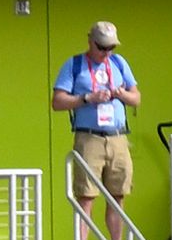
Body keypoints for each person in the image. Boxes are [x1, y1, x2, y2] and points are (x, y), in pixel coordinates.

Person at [52, 18, 141, 222]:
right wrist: (87, 98)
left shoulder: (119, 63)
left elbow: (136, 98)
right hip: (89, 137)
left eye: (111, 48)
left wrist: (121, 94)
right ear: (90, 42)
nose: (106, 53)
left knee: (118, 196)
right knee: (86, 196)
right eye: (102, 48)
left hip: (117, 136)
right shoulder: (74, 64)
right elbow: (57, 101)